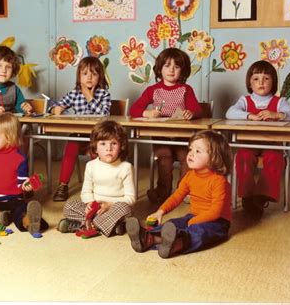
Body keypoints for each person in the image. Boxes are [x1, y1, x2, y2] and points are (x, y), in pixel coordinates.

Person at [126, 130, 232, 259]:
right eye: (191, 149)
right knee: (173, 224)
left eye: (198, 151)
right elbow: (177, 196)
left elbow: (215, 211)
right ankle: (148, 237)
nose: (191, 154)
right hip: (193, 216)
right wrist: (160, 211)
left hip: (217, 222)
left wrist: (194, 222)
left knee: (199, 232)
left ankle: (178, 244)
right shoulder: (190, 175)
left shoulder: (219, 181)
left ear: (215, 157)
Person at [226, 60, 290, 218]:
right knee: (242, 157)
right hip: (248, 144)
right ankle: (247, 196)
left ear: (273, 82)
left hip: (272, 145)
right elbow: (230, 113)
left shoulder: (279, 102)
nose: (261, 82)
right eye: (256, 79)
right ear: (250, 83)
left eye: (266, 78)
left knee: (275, 158)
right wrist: (248, 115)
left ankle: (261, 196)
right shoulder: (244, 101)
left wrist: (279, 114)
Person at [129, 47, 203, 204]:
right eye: (167, 65)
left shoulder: (186, 89)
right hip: (161, 136)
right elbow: (134, 109)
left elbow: (197, 110)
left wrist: (191, 113)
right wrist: (147, 113)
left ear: (182, 71)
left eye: (176, 67)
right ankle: (163, 191)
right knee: (164, 156)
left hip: (183, 138)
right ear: (159, 69)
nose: (171, 70)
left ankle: (184, 190)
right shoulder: (153, 90)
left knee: (187, 157)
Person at [57, 120, 135, 237]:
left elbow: (131, 198)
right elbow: (86, 191)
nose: (108, 148)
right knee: (69, 206)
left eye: (113, 143)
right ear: (95, 148)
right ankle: (107, 226)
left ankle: (83, 225)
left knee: (125, 209)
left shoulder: (126, 168)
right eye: (103, 144)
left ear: (121, 146)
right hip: (95, 209)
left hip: (114, 208)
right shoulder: (91, 166)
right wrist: (89, 203)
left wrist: (109, 205)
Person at [49, 56, 111, 202]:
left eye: (94, 74)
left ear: (100, 77)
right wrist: (55, 109)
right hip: (78, 134)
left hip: (97, 137)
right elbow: (57, 106)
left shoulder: (104, 94)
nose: (89, 77)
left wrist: (89, 96)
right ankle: (63, 185)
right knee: (70, 150)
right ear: (79, 76)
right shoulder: (73, 94)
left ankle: (99, 187)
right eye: (85, 74)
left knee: (97, 155)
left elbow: (104, 115)